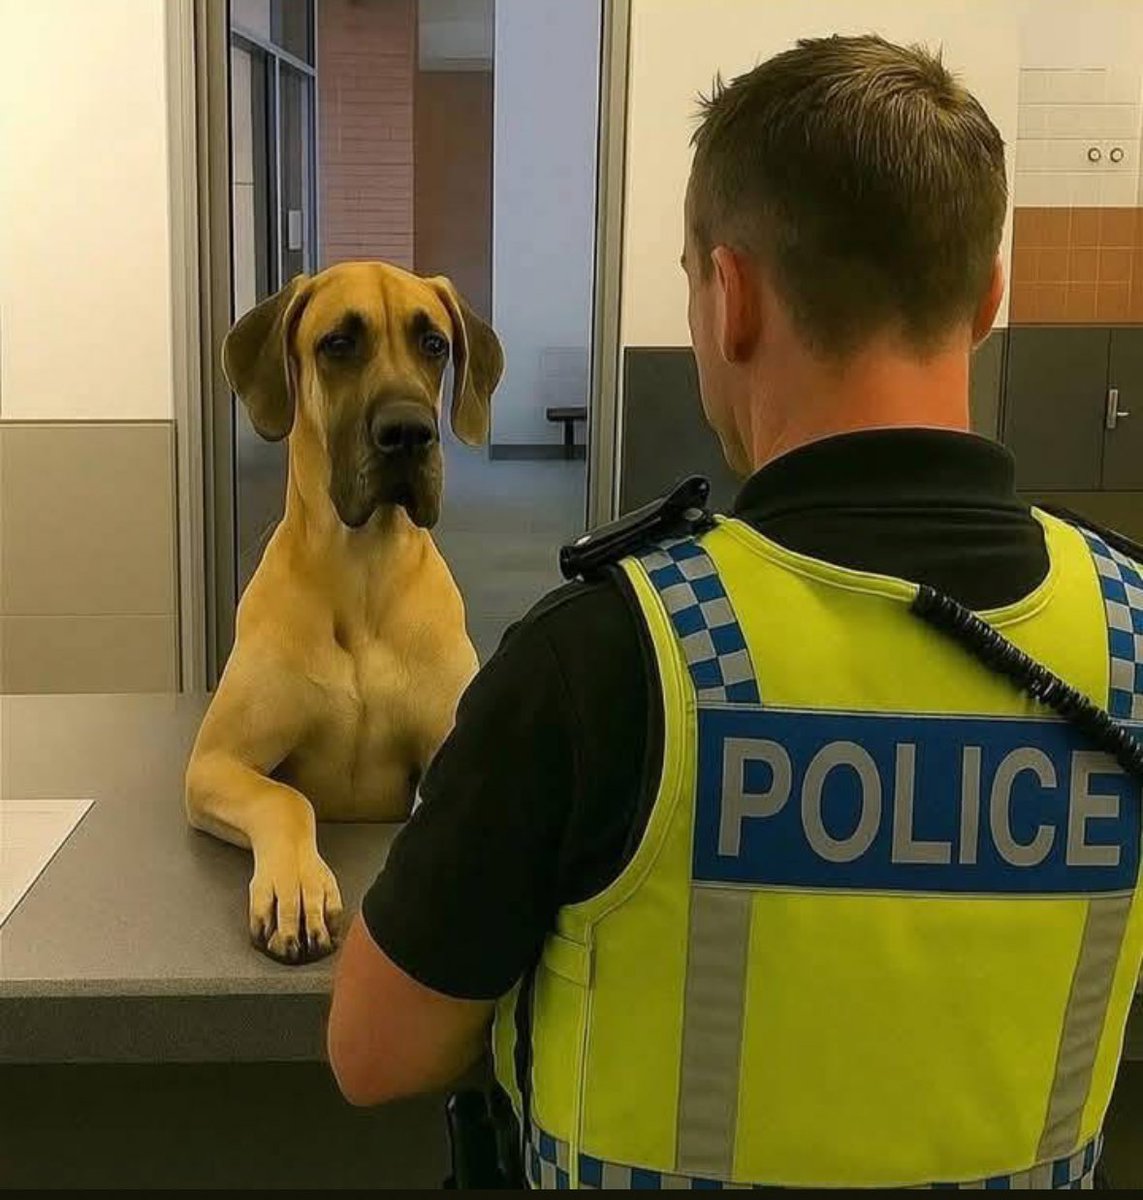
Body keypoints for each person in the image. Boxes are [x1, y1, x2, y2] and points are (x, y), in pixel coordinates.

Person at [328, 34, 1143, 1190]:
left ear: (733, 295)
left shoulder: (609, 658)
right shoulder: (1127, 640)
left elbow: (375, 1051)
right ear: (990, 299)